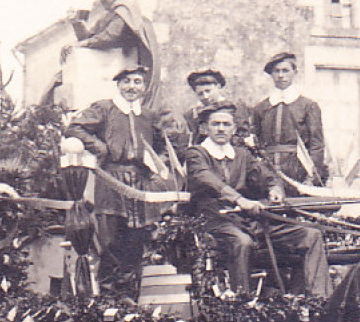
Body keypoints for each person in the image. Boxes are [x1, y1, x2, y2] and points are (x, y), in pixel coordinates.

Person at [183, 103, 332, 298]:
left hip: (250, 219)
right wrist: (238, 199)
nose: (221, 129)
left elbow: (266, 175)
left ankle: (319, 299)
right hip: (216, 220)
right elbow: (204, 177)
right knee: (242, 242)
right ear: (205, 128)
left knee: (310, 235)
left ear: (234, 129)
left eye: (226, 124)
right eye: (215, 124)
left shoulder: (242, 154)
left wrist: (275, 189)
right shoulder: (196, 153)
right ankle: (241, 302)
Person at [65, 67, 174, 287]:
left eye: (137, 82)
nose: (132, 87)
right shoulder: (105, 109)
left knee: (138, 240)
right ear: (118, 85)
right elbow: (74, 128)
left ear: (144, 87)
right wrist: (99, 147)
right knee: (111, 239)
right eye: (126, 82)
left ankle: (132, 301)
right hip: (111, 180)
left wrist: (156, 165)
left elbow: (164, 145)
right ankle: (110, 299)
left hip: (140, 181)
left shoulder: (149, 115)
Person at [65, 0, 160, 101]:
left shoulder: (125, 9)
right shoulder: (108, 15)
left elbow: (110, 37)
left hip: (127, 69)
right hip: (108, 71)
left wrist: (81, 45)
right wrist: (76, 22)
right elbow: (89, 38)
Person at [250, 52, 328, 186]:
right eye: (276, 71)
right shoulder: (260, 108)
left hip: (297, 169)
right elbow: (256, 142)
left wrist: (312, 176)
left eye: (285, 71)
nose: (281, 75)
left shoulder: (308, 106)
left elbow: (317, 145)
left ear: (294, 72)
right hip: (268, 170)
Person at [184, 69, 249, 146]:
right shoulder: (192, 114)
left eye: (208, 91)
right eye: (200, 94)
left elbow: (243, 137)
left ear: (218, 87)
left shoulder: (235, 109)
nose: (205, 97)